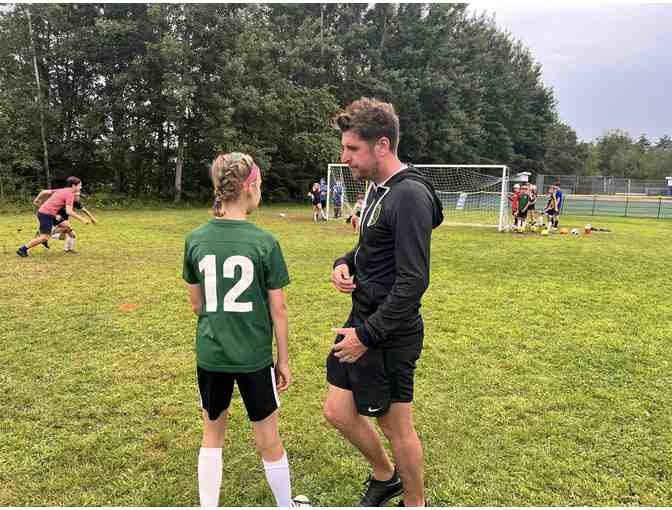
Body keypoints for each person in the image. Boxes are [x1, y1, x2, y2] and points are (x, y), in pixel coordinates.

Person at [324, 98, 443, 507]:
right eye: (345, 148)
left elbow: (413, 281)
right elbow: (369, 247)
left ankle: (415, 503)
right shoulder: (378, 189)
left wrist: (368, 336)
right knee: (338, 412)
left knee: (396, 428)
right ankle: (385, 475)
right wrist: (344, 262)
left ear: (382, 145)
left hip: (387, 332)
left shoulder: (409, 196)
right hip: (361, 319)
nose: (345, 158)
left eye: (352, 149)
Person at [182, 152, 308, 508]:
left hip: (212, 354)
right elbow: (278, 308)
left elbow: (197, 305)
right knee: (268, 437)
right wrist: (283, 360)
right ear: (250, 186)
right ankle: (286, 505)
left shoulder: (196, 238)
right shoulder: (264, 242)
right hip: (253, 356)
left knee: (212, 435)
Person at [17, 176, 90, 257]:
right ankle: (23, 249)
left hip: (51, 214)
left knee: (67, 227)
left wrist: (36, 200)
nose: (81, 187)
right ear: (73, 186)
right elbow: (69, 211)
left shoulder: (62, 190)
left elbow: (43, 192)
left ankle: (47, 234)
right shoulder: (70, 194)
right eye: (80, 185)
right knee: (44, 237)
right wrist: (82, 219)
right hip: (45, 214)